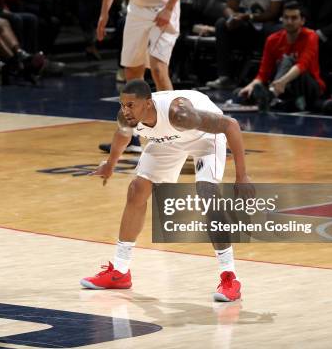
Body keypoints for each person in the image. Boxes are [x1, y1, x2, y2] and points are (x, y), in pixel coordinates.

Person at [82, 80, 254, 302]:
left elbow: (230, 125)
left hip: (202, 138)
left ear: (149, 104)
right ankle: (120, 272)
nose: (125, 110)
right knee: (137, 190)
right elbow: (123, 135)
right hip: (168, 142)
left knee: (207, 195)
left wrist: (242, 176)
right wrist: (110, 165)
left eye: (131, 105)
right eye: (123, 104)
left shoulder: (179, 113)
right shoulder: (127, 116)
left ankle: (230, 276)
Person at [96, 0, 189, 154]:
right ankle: (131, 137)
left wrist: (168, 9)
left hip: (162, 8)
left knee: (157, 68)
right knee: (132, 74)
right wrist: (104, 13)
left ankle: (177, 136)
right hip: (136, 9)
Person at [238, 1, 325, 111]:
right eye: (286, 17)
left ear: (302, 21)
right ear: (282, 19)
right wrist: (251, 85)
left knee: (287, 60)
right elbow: (263, 73)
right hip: (284, 87)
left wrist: (281, 82)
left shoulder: (311, 36)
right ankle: (270, 97)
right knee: (247, 91)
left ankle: (271, 95)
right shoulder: (272, 40)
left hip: (308, 86)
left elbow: (302, 65)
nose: (289, 21)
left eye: (294, 18)